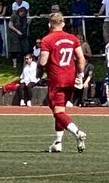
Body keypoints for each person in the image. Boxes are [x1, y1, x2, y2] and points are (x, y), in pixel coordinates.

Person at [36, 11, 88, 153]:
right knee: (61, 109)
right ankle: (58, 142)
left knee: (58, 112)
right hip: (70, 78)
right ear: (63, 24)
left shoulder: (47, 39)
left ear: (49, 25)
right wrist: (80, 75)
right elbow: (81, 59)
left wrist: (38, 71)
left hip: (56, 79)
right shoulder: (72, 38)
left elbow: (43, 61)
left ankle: (77, 132)